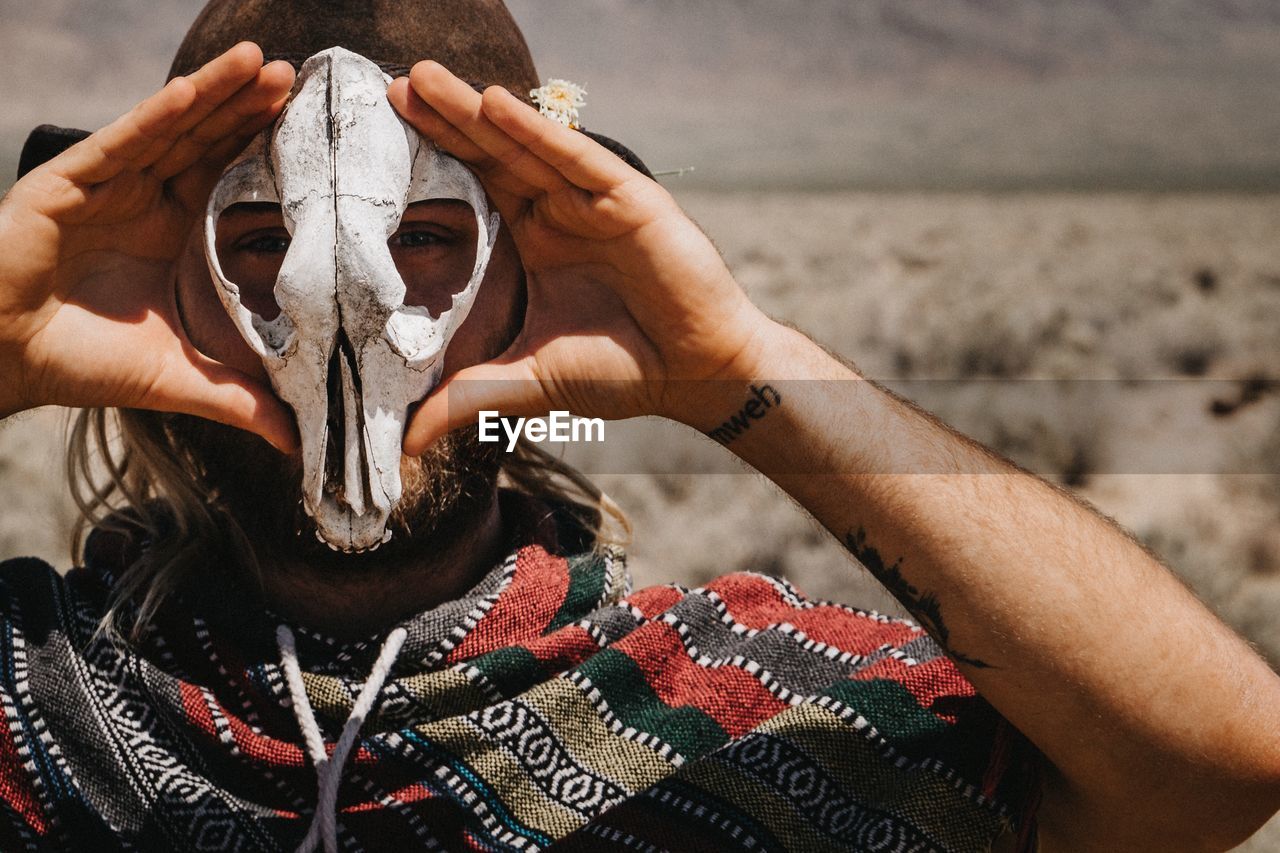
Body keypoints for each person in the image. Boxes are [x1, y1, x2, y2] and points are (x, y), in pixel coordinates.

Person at [0, 1, 1277, 850]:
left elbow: (1210, 767)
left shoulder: (732, 708)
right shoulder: (34, 694)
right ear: (182, 282)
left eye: (430, 241)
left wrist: (736, 368)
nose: (338, 315)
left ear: (522, 273)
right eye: (262, 244)